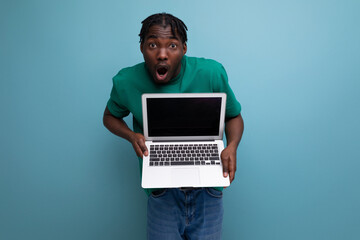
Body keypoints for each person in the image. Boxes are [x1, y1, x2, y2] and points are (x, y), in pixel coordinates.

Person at [103, 13, 244, 240]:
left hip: (208, 192)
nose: (162, 54)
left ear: (184, 48)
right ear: (141, 47)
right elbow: (109, 116)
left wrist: (232, 146)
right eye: (152, 45)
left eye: (172, 45)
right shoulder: (126, 81)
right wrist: (131, 135)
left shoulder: (211, 73)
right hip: (162, 194)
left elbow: (234, 116)